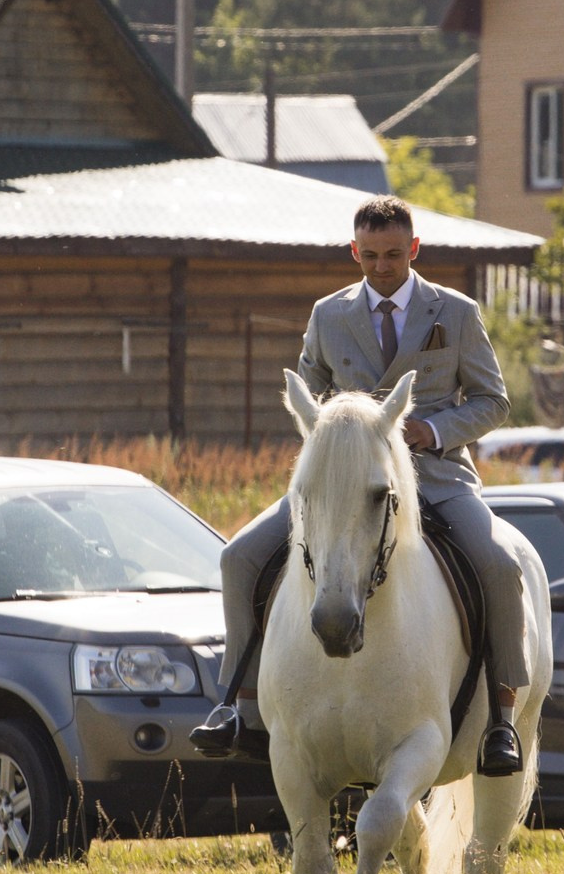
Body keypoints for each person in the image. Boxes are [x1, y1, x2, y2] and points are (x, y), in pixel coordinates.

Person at [191, 194, 529, 776]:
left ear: (414, 249)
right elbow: (311, 397)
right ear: (355, 251)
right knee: (238, 557)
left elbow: (494, 401)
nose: (382, 266)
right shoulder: (328, 314)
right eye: (370, 255)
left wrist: (435, 428)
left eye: (394, 254)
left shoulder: (457, 311)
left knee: (500, 565)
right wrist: (332, 443)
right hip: (346, 480)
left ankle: (501, 719)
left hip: (437, 476)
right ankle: (238, 705)